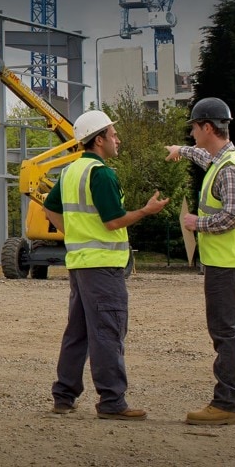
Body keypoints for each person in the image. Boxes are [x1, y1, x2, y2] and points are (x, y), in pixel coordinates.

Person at [45, 110, 168, 420]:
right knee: (108, 332)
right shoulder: (101, 174)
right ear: (99, 140)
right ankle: (112, 402)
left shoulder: (71, 172)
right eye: (113, 135)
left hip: (81, 264)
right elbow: (114, 221)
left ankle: (64, 395)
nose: (118, 140)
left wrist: (75, 233)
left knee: (79, 332)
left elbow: (49, 209)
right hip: (103, 267)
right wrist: (146, 211)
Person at [164, 97, 235, 426]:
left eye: (193, 127)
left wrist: (197, 223)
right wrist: (182, 150)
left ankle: (227, 404)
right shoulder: (227, 159)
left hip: (227, 265)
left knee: (225, 332)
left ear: (207, 127)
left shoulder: (229, 169)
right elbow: (205, 157)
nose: (192, 133)